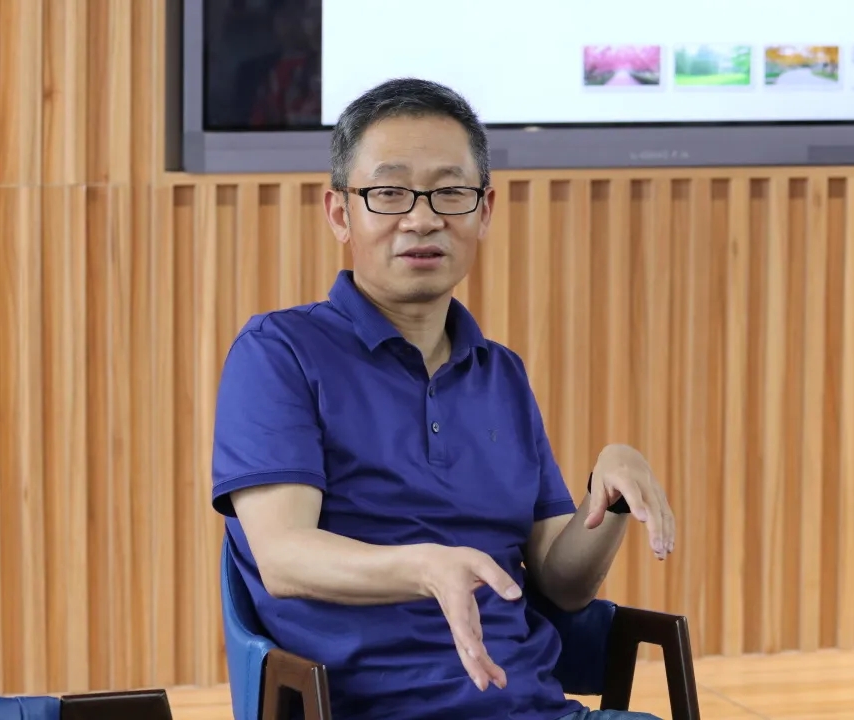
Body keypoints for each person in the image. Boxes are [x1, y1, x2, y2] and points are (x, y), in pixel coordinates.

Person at [210, 77, 677, 720]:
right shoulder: (279, 352)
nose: (423, 218)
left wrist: (610, 494)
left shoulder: (501, 373)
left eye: (450, 192)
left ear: (484, 211)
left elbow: (562, 585)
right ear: (340, 214)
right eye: (389, 192)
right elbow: (284, 557)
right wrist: (425, 568)